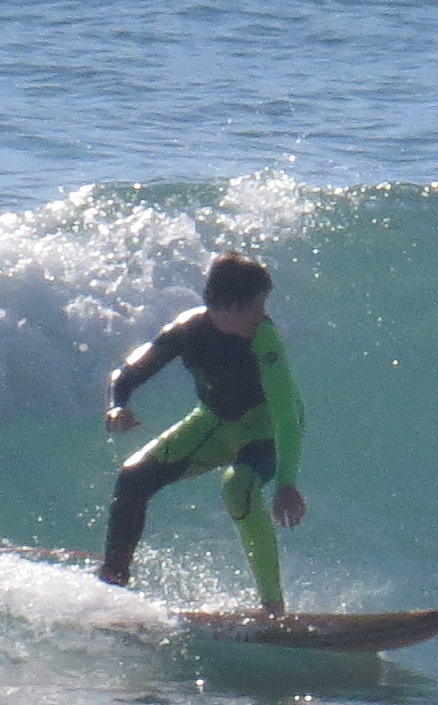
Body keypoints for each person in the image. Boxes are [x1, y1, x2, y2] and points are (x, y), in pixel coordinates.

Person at [98, 252, 307, 609]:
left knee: (238, 487)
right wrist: (118, 404)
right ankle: (114, 580)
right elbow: (129, 372)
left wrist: (286, 482)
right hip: (213, 422)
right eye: (255, 307)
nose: (262, 315)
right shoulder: (188, 330)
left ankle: (273, 607)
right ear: (226, 305)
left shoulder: (264, 338)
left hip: (266, 428)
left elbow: (286, 413)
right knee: (133, 478)